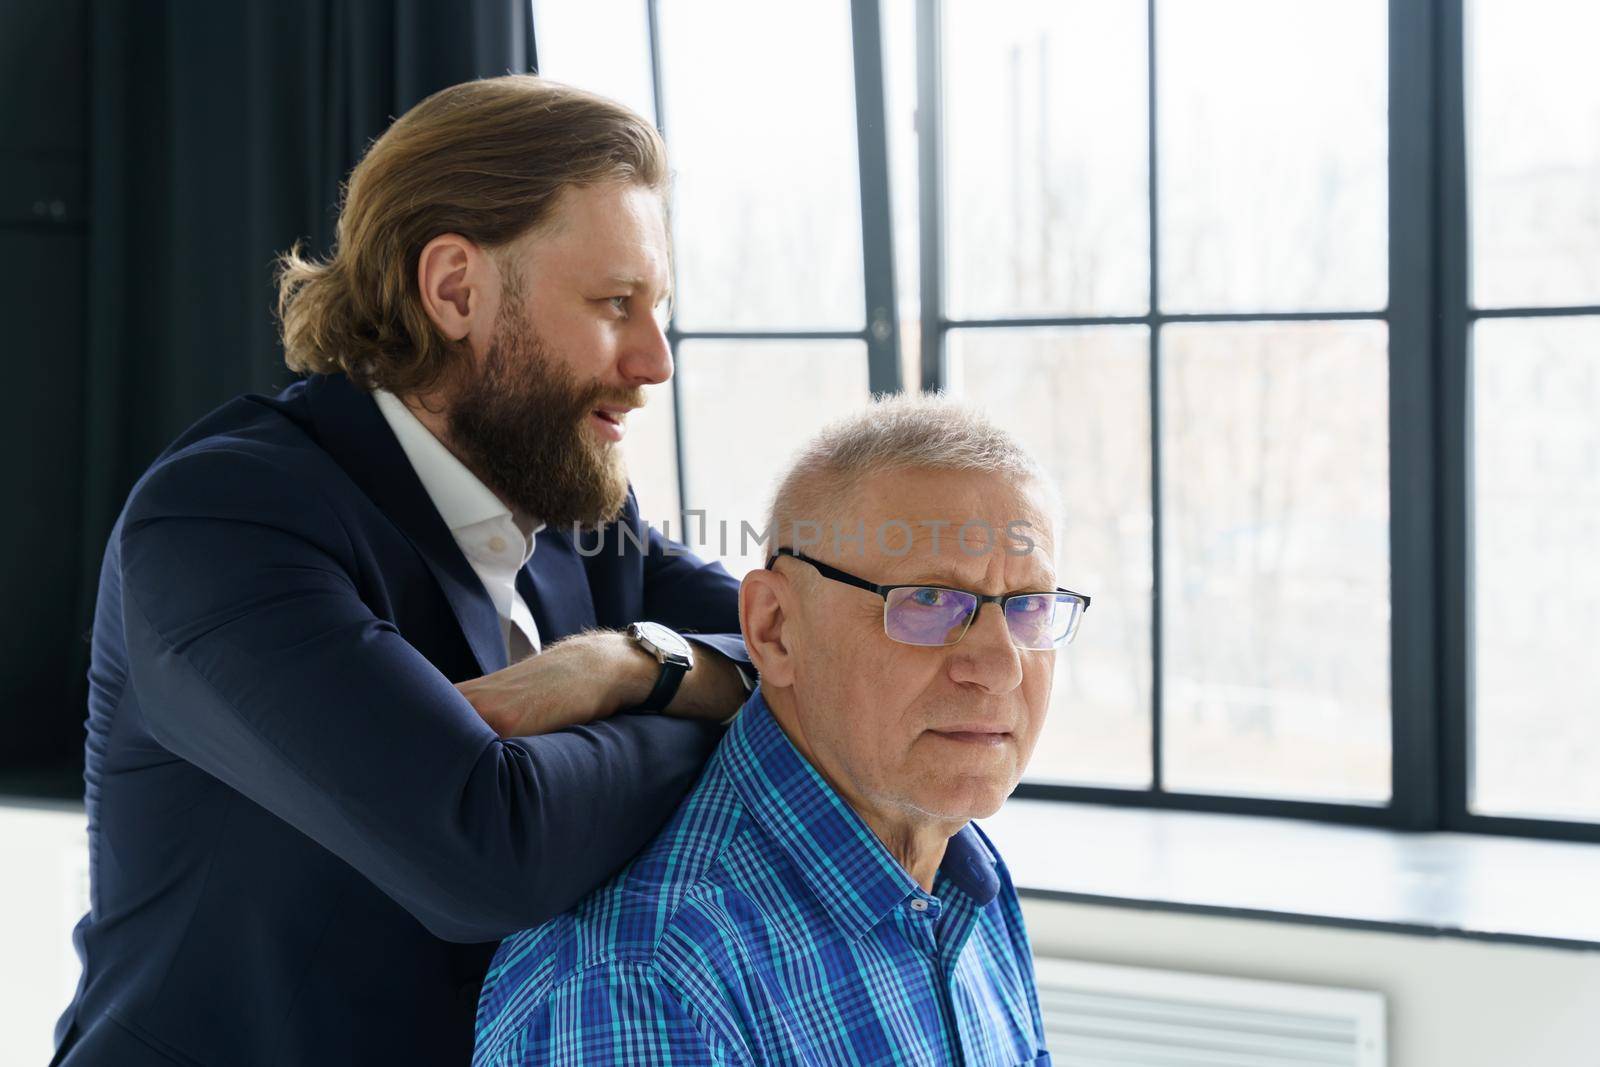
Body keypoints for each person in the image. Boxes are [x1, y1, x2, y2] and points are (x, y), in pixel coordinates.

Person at [51, 75, 753, 1067]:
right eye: (614, 304)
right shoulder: (219, 520)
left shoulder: (572, 499)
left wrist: (635, 668)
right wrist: (711, 705)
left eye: (659, 309)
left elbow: (811, 647)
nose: (653, 360)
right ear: (455, 287)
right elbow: (487, 852)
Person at [474, 394, 1086, 1066]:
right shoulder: (643, 986)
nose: (1001, 667)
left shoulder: (967, 871)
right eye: (930, 600)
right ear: (773, 628)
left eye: (1030, 606)